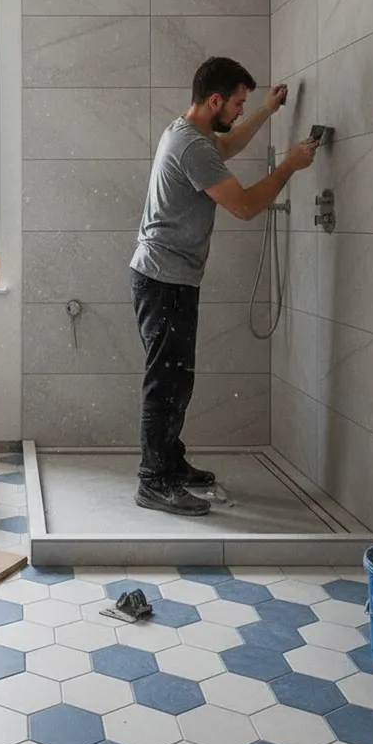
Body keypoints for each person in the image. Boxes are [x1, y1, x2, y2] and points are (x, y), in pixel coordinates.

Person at [130, 56, 319, 517]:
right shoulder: (192, 146)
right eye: (236, 102)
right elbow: (246, 207)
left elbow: (228, 144)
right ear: (214, 100)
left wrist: (267, 112)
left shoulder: (188, 133)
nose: (238, 110)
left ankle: (169, 463)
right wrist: (290, 166)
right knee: (167, 383)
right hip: (164, 278)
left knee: (177, 378)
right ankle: (154, 481)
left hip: (165, 275)